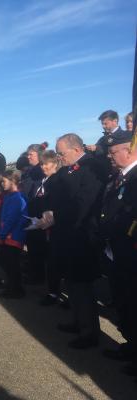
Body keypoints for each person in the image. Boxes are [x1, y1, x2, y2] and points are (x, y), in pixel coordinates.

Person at [45, 133, 104, 349]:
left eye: (62, 153)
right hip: (67, 233)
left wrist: (56, 216)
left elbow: (84, 202)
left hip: (82, 235)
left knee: (82, 284)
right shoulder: (69, 168)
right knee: (71, 281)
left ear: (77, 150)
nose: (59, 157)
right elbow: (58, 193)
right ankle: (78, 321)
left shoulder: (92, 167)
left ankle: (89, 333)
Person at [99, 129, 137, 370]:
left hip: (130, 251)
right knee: (123, 301)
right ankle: (131, 345)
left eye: (113, 152)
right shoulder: (118, 177)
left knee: (134, 303)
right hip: (116, 252)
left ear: (130, 150)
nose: (110, 157)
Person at [32, 150, 64, 306]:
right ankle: (49, 287)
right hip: (40, 223)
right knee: (46, 258)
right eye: (41, 164)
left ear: (55, 163)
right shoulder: (44, 180)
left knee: (54, 261)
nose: (43, 167)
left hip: (53, 226)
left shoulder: (57, 180)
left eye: (45, 164)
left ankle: (54, 293)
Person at [0, 170, 28, 298]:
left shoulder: (17, 197)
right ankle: (13, 286)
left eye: (4, 181)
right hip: (8, 234)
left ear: (13, 181)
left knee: (10, 263)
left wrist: (1, 234)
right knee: (6, 261)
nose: (2, 184)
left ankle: (15, 289)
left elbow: (11, 219)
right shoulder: (9, 196)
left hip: (13, 236)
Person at [23, 143, 49, 285]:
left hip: (38, 213)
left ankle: (37, 276)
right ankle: (33, 271)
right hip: (29, 210)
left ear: (39, 156)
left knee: (38, 248)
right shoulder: (31, 170)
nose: (28, 157)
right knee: (32, 247)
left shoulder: (41, 171)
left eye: (30, 154)